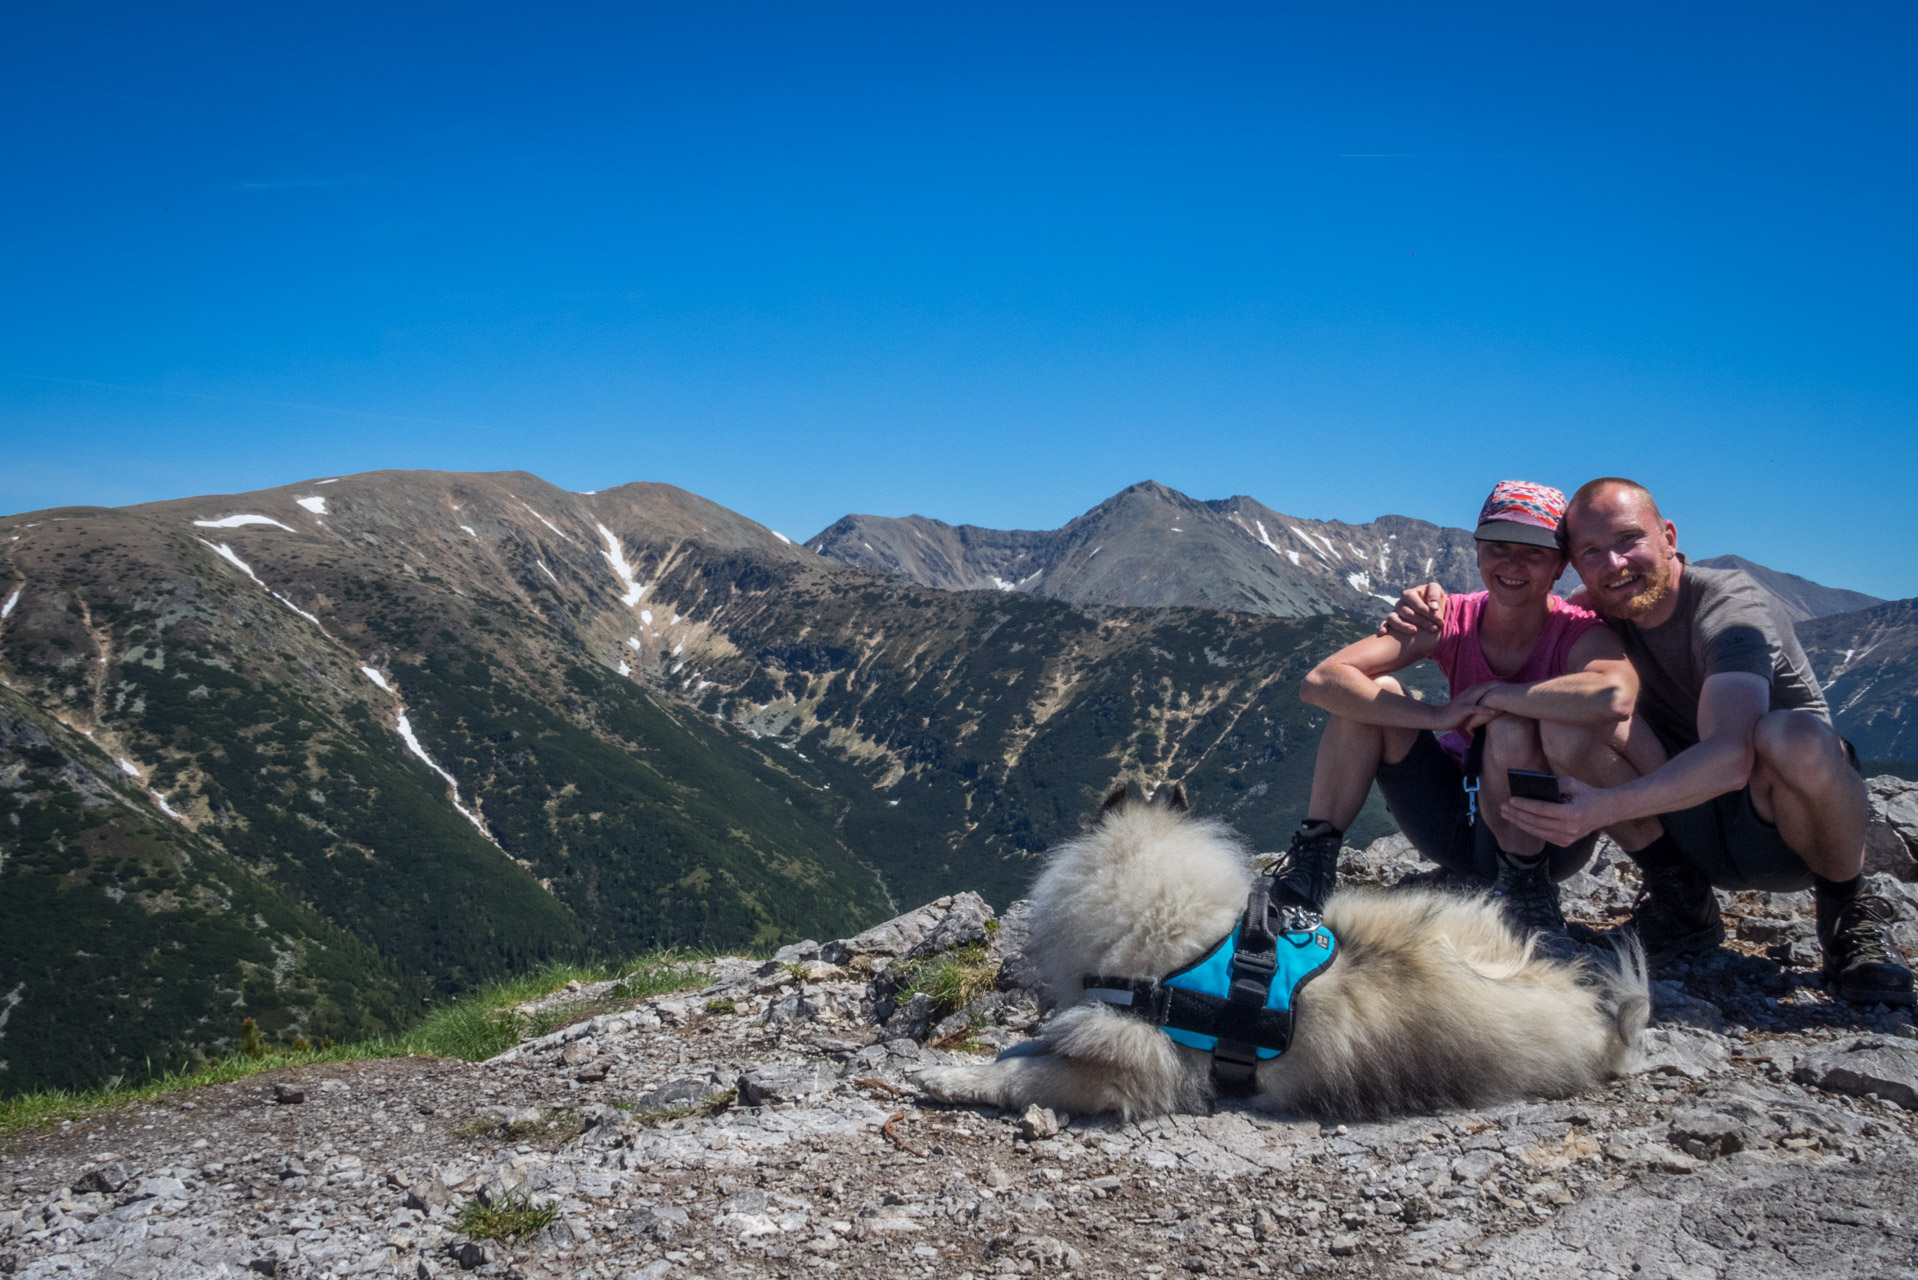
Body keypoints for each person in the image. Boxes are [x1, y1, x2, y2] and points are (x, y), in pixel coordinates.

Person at [1387, 476, 1913, 1007]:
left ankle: (1849, 915)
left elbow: (1732, 757)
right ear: (1575, 563)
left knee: (1791, 733)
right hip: (1686, 819)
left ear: (1669, 536)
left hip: (1779, 826)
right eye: (1592, 551)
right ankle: (1681, 901)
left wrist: (1603, 807)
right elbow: (1523, 621)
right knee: (1566, 724)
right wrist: (1431, 604)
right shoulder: (1593, 609)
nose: (1614, 564)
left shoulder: (1730, 606)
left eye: (1628, 540)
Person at [1272, 480, 1644, 951]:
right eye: (1499, 548)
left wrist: (1501, 696)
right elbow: (1323, 681)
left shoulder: (1577, 632)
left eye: (1533, 553)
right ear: (1477, 552)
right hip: (1453, 823)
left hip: (1547, 843)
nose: (1512, 564)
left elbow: (1613, 695)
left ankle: (1525, 888)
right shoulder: (1449, 617)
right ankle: (1312, 867)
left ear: (1559, 567)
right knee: (1374, 694)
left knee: (1511, 726)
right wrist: (1437, 714)